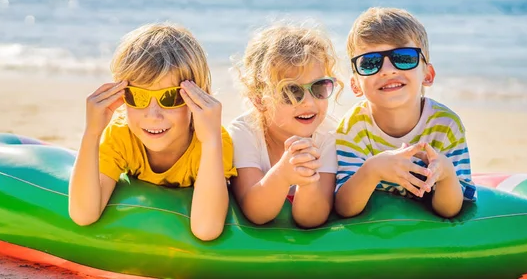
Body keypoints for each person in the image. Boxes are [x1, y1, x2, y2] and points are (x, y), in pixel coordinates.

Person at [68, 23, 236, 241]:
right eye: (137, 97)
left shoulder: (212, 142)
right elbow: (83, 215)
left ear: (197, 98)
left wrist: (211, 141)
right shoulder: (120, 135)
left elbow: (206, 229)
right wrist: (92, 133)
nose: (153, 115)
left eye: (170, 97)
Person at [335, 7, 476, 219]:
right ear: (355, 85)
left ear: (427, 75)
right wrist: (372, 170)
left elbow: (452, 210)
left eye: (403, 57)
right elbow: (344, 208)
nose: (388, 69)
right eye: (370, 62)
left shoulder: (446, 125)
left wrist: (446, 174)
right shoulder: (353, 127)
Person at [228, 22, 343, 228]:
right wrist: (282, 174)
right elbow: (256, 213)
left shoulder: (327, 135)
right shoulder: (244, 132)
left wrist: (307, 181)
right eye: (291, 92)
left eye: (319, 87)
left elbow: (311, 218)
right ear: (259, 100)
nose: (308, 102)